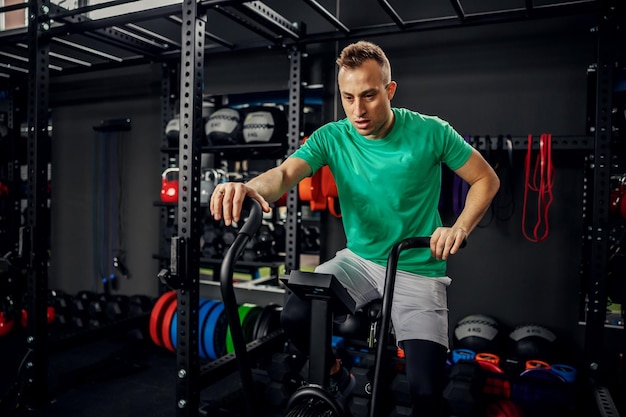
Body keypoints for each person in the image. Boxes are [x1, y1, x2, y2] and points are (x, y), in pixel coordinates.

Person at [210, 40, 500, 417]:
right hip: (358, 261)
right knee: (295, 315)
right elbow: (283, 174)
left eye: (369, 96)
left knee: (426, 391)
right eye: (348, 98)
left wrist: (459, 228)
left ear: (389, 90)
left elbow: (485, 179)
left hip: (417, 267)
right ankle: (336, 375)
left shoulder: (431, 132)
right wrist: (249, 186)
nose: (358, 111)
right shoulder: (333, 137)